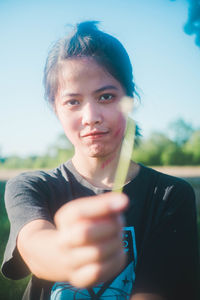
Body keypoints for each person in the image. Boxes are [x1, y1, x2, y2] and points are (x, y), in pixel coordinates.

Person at [1, 21, 199, 300]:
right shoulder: (30, 186)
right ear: (55, 108)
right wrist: (67, 252)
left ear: (128, 100)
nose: (91, 116)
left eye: (105, 97)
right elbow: (36, 248)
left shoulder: (169, 196)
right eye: (73, 102)